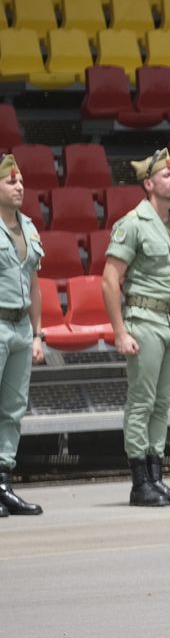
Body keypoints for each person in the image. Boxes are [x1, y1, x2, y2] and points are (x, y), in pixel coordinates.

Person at [102, 149, 170, 507]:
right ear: (149, 184)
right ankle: (140, 481)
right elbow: (110, 280)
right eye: (167, 175)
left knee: (162, 403)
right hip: (145, 318)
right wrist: (120, 331)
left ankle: (156, 476)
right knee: (142, 402)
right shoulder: (133, 223)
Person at [0, 154, 45, 517]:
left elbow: (34, 284)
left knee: (13, 408)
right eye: (10, 181)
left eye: (20, 181)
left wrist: (38, 333)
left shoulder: (28, 227)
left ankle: (3, 481)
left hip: (21, 327)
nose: (19, 187)